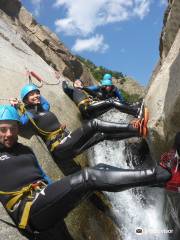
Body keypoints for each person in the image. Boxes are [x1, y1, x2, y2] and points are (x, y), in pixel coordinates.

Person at [0, 105, 174, 240]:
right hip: (28, 211)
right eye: (3, 129)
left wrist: (60, 194)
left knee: (100, 169)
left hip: (45, 201)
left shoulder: (25, 150)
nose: (8, 134)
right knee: (89, 176)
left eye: (13, 128)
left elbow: (42, 176)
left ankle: (157, 181)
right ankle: (162, 174)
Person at [10, 84, 148, 176]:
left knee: (102, 135)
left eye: (37, 93)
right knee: (94, 124)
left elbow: (45, 101)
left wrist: (34, 86)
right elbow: (21, 122)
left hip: (68, 146)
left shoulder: (44, 108)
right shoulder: (30, 115)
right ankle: (134, 127)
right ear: (26, 100)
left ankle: (136, 132)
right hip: (59, 147)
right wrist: (17, 106)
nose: (36, 96)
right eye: (32, 95)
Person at [63, 77, 141, 119]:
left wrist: (84, 89)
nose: (77, 83)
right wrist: (63, 81)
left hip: (92, 110)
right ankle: (136, 111)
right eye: (76, 82)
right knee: (111, 102)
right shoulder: (73, 90)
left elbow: (95, 94)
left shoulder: (84, 91)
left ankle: (133, 111)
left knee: (112, 104)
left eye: (79, 82)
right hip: (87, 109)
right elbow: (66, 88)